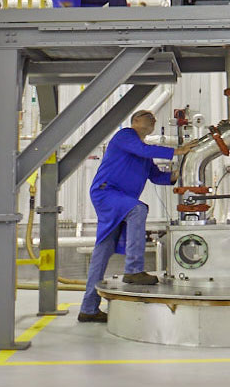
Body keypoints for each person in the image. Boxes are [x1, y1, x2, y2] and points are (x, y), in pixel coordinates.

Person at [78, 110, 198, 322]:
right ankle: (133, 270)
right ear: (134, 121)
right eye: (146, 116)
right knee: (138, 209)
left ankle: (88, 309)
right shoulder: (125, 136)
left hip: (118, 199)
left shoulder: (144, 155)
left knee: (102, 251)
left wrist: (178, 173)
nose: (152, 118)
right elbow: (142, 149)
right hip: (107, 192)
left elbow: (156, 176)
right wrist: (178, 151)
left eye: (153, 118)